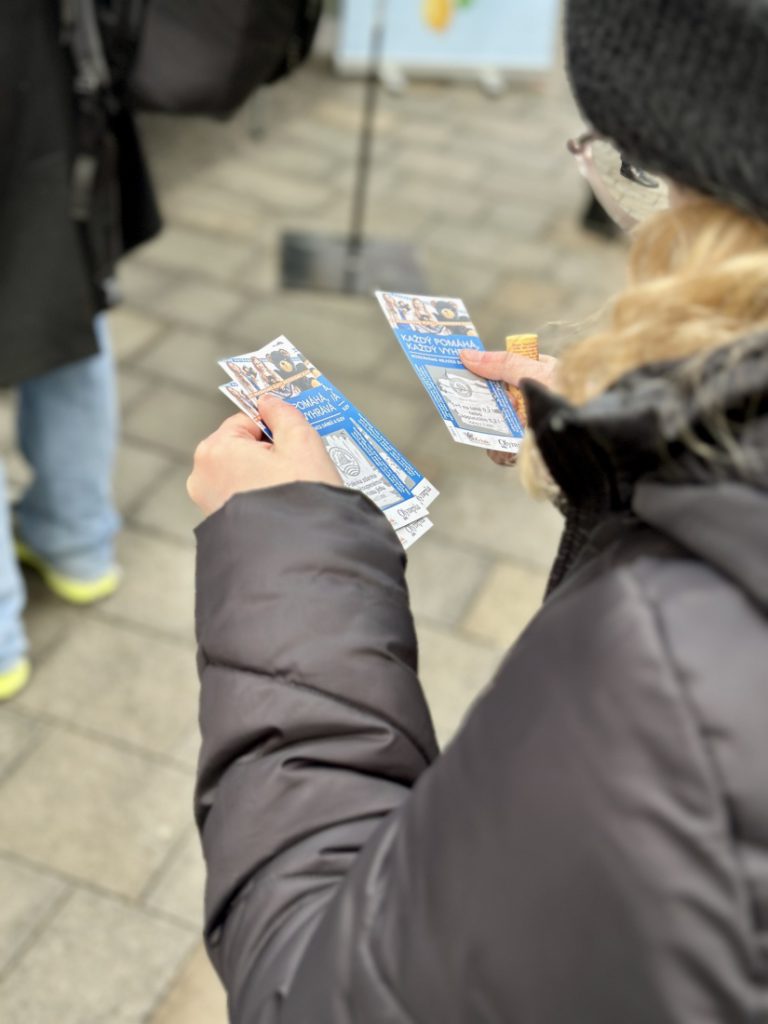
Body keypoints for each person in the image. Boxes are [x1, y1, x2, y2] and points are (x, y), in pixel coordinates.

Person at [187, 0, 768, 1019]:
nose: (641, 239)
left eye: (646, 177)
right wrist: (604, 446)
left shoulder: (669, 665)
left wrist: (285, 543)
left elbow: (321, 983)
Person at [0, 0, 159, 699]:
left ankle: (3, 640)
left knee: (58, 290)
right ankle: (76, 542)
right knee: (59, 289)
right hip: (47, 59)